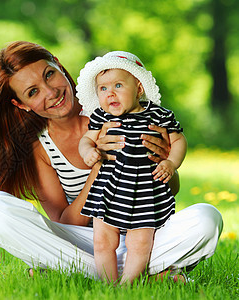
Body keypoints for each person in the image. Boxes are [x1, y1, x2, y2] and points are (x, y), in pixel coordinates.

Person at [0, 41, 223, 282]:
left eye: (49, 74)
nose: (51, 92)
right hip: (90, 239)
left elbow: (171, 187)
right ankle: (142, 273)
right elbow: (65, 222)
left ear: (60, 66)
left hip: (143, 230)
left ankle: (78, 271)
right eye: (33, 92)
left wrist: (165, 164)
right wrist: (99, 166)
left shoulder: (118, 109)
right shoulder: (40, 148)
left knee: (206, 218)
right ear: (21, 104)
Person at [76, 51, 187, 284]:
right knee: (102, 240)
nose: (110, 93)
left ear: (138, 88)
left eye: (118, 85)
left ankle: (128, 285)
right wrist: (88, 151)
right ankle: (109, 284)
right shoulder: (100, 117)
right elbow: (86, 139)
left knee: (140, 243)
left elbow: (178, 141)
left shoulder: (159, 115)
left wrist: (170, 162)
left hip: (145, 190)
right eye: (103, 89)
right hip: (109, 189)